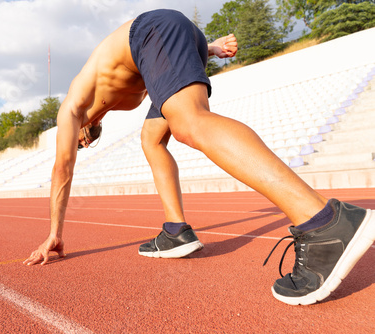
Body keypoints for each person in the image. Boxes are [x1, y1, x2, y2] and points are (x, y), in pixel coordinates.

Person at [23, 9, 375, 305]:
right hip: (172, 37)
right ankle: (176, 231)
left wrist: (54, 232)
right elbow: (166, 59)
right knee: (152, 139)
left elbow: (62, 169)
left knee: (188, 123)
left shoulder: (71, 107)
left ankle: (323, 222)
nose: (80, 143)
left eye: (82, 141)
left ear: (82, 130)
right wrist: (210, 47)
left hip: (152, 30)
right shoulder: (105, 101)